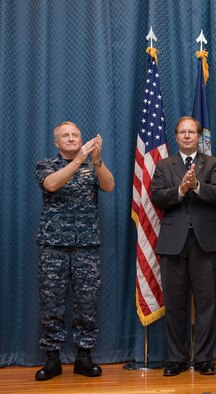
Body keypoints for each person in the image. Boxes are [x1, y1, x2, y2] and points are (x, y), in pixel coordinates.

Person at [35, 121, 115, 381]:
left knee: (87, 304)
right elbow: (51, 185)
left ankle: (84, 357)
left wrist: (97, 161)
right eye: (65, 136)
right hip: (53, 245)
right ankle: (52, 359)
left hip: (86, 246)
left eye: (75, 135)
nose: (71, 138)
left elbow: (109, 186)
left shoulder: (93, 166)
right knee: (51, 305)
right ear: (56, 143)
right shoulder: (46, 164)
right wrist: (79, 160)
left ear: (81, 139)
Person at [150, 116, 216, 377]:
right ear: (176, 136)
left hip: (206, 242)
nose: (187, 136)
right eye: (182, 132)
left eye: (191, 132)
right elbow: (157, 197)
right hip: (173, 244)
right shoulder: (163, 165)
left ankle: (204, 358)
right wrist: (180, 190)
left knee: (207, 303)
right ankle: (176, 359)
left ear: (199, 136)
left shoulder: (213, 163)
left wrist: (197, 185)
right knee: (175, 304)